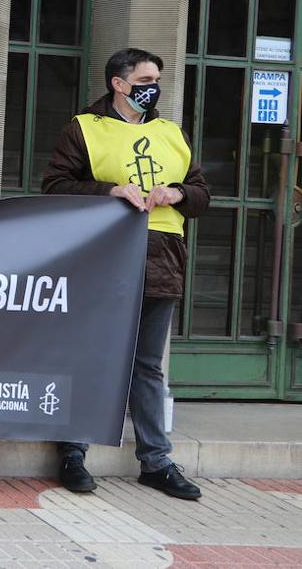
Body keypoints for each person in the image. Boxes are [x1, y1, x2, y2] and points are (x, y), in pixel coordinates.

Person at [41, 47, 210, 500]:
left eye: (157, 78)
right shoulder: (85, 128)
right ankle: (73, 452)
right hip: (105, 255)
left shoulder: (173, 132)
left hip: (162, 258)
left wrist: (177, 194)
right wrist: (110, 191)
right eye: (146, 78)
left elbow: (201, 192)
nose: (154, 86)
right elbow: (55, 187)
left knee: (148, 366)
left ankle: (156, 462)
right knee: (92, 356)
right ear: (119, 82)